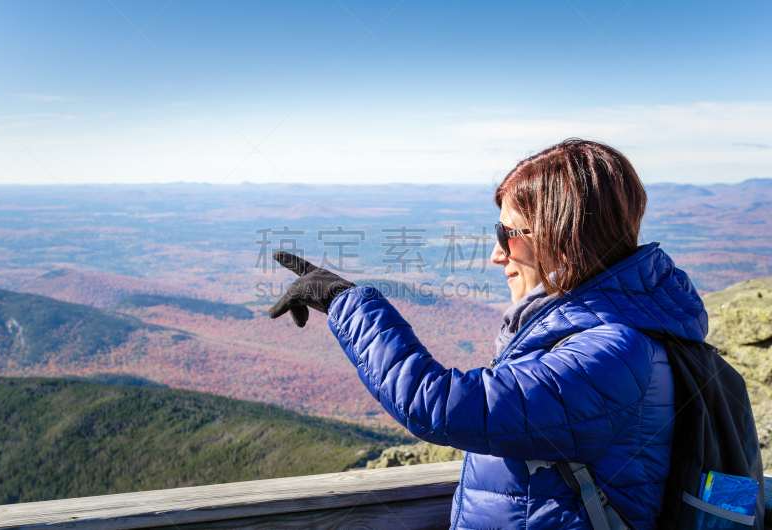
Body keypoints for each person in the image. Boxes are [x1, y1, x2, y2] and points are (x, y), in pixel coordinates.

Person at [269, 139, 706, 530]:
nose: (497, 254)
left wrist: (346, 302)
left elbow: (436, 404)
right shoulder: (598, 335)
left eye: (506, 234)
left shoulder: (612, 353)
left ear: (565, 237)